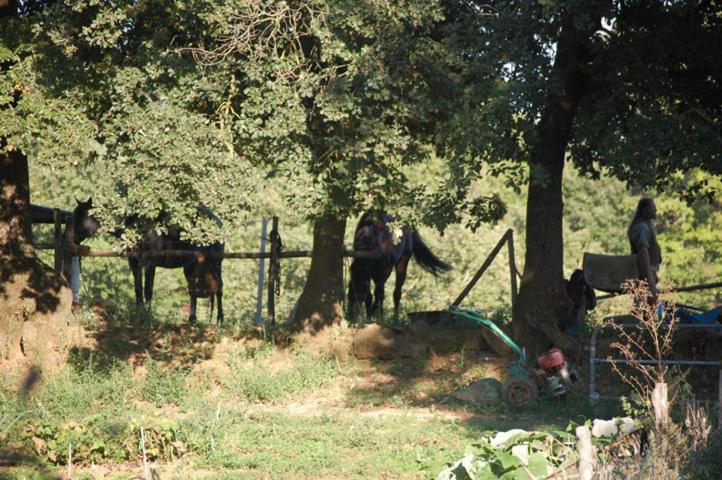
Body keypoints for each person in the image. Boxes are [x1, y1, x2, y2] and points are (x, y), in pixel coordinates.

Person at [628, 197, 662, 302]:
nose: (655, 210)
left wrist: (653, 274)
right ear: (645, 210)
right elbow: (643, 253)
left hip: (648, 274)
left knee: (648, 305)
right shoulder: (642, 227)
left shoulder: (646, 226)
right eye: (653, 207)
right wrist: (649, 279)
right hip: (643, 276)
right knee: (643, 305)